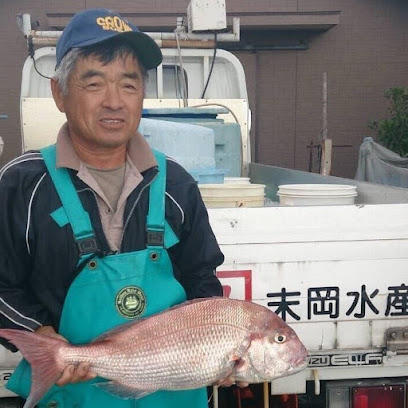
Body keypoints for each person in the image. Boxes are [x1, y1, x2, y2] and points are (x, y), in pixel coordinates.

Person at [0, 8, 225, 408]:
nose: (114, 102)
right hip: (72, 394)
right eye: (94, 83)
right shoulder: (23, 185)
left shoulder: (176, 184)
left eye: (128, 83)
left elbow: (201, 281)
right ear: (59, 93)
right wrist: (41, 334)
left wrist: (218, 348)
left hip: (170, 395)